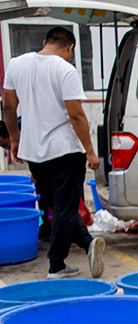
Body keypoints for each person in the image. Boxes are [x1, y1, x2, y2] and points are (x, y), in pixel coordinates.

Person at [2, 26, 105, 278]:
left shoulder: (16, 64)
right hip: (65, 150)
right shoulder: (65, 70)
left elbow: (8, 106)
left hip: (34, 152)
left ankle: (87, 243)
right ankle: (56, 265)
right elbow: (76, 114)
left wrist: (15, 139)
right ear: (70, 48)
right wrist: (91, 152)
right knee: (65, 208)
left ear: (45, 41)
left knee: (60, 206)